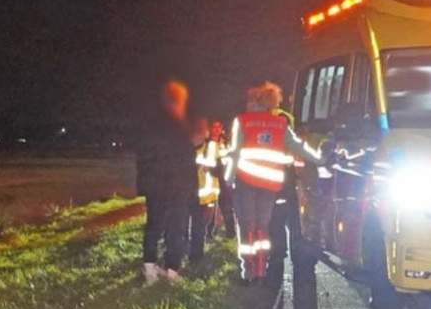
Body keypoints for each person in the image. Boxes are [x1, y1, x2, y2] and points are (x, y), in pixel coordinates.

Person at [228, 82, 323, 282]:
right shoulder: (280, 124)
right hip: (270, 184)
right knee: (263, 225)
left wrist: (229, 178)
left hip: (246, 181)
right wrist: (321, 159)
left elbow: (235, 152)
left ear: (254, 101)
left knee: (247, 225)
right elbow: (299, 146)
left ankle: (248, 270)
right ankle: (262, 267)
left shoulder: (242, 121)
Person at [135, 80, 197, 284]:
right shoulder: (181, 126)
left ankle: (150, 269)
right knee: (175, 229)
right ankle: (171, 270)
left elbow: (143, 158)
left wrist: (144, 185)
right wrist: (192, 189)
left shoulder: (150, 125)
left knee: (153, 226)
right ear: (178, 100)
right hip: (177, 187)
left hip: (155, 187)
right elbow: (187, 162)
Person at [188, 118, 221, 262]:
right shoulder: (185, 147)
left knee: (199, 227)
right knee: (186, 227)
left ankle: (196, 256)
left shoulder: (212, 147)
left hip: (206, 196)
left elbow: (219, 169)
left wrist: (210, 168)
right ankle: (184, 253)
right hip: (188, 193)